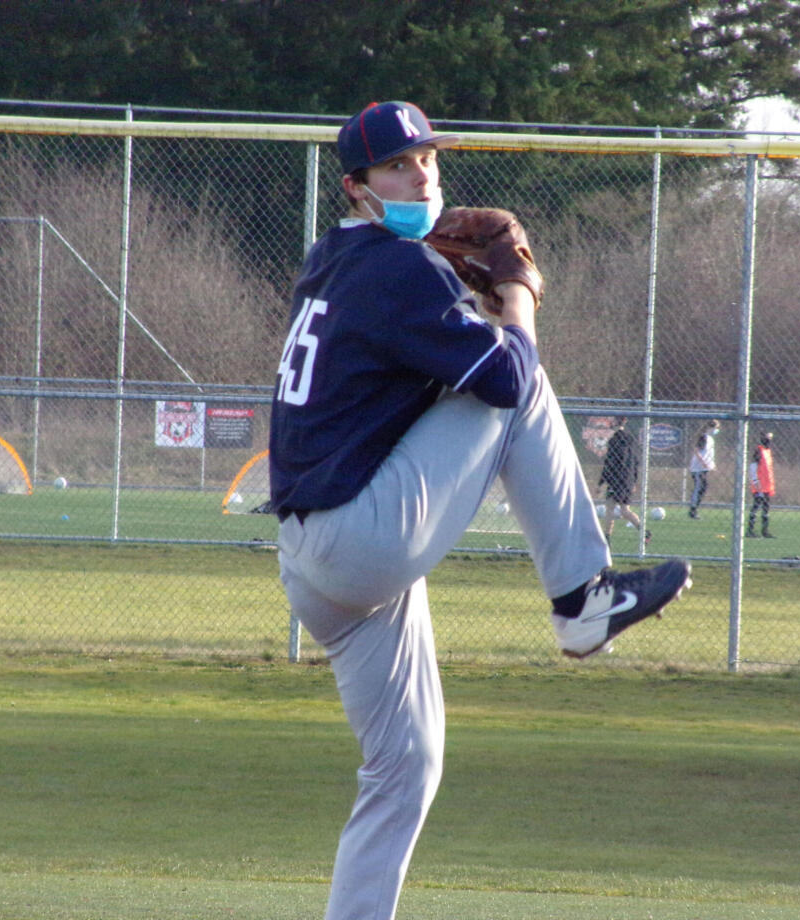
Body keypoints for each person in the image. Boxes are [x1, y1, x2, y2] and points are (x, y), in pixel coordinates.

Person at [268, 100, 691, 920]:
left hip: (317, 562)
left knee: (406, 767)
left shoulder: (330, 261)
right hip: (361, 537)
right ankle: (581, 599)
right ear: (357, 187)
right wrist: (517, 294)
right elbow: (507, 380)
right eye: (397, 165)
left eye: (426, 158)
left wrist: (474, 308)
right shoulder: (398, 269)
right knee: (519, 388)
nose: (421, 173)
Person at [597, 418, 649, 544]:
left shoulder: (614, 441)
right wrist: (634, 480)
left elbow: (609, 463)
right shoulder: (631, 439)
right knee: (624, 510)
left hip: (616, 480)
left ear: (614, 424)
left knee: (611, 509)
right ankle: (644, 532)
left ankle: (607, 539)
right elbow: (635, 462)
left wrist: (601, 483)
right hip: (628, 480)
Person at [745, 430, 776, 538]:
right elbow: (753, 467)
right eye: (767, 438)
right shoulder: (759, 450)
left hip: (767, 486)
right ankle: (750, 530)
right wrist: (755, 481)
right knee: (756, 506)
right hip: (759, 485)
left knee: (766, 508)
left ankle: (765, 530)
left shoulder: (768, 451)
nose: (769, 440)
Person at [688, 419, 719, 519]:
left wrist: (712, 465)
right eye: (716, 428)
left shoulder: (710, 439)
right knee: (699, 487)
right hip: (698, 468)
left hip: (704, 468)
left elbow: (709, 454)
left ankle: (694, 508)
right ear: (711, 428)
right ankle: (693, 510)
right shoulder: (703, 437)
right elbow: (697, 450)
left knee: (703, 487)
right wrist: (703, 463)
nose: (717, 430)